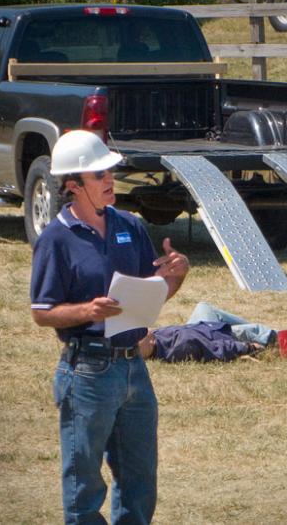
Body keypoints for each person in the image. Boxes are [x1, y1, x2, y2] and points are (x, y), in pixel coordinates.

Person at [30, 130, 190, 524]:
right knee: (84, 486)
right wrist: (88, 311)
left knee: (139, 481)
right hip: (87, 373)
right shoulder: (56, 240)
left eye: (109, 171)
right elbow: (42, 311)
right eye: (99, 174)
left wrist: (177, 276)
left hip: (135, 366)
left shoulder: (130, 226)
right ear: (73, 186)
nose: (109, 180)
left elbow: (149, 294)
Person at [137, 302, 287, 362]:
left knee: (204, 306)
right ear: (150, 344)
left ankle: (269, 334)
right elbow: (216, 348)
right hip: (215, 334)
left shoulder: (158, 336)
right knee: (248, 332)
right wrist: (245, 347)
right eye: (141, 335)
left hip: (200, 326)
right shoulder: (181, 347)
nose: (144, 330)